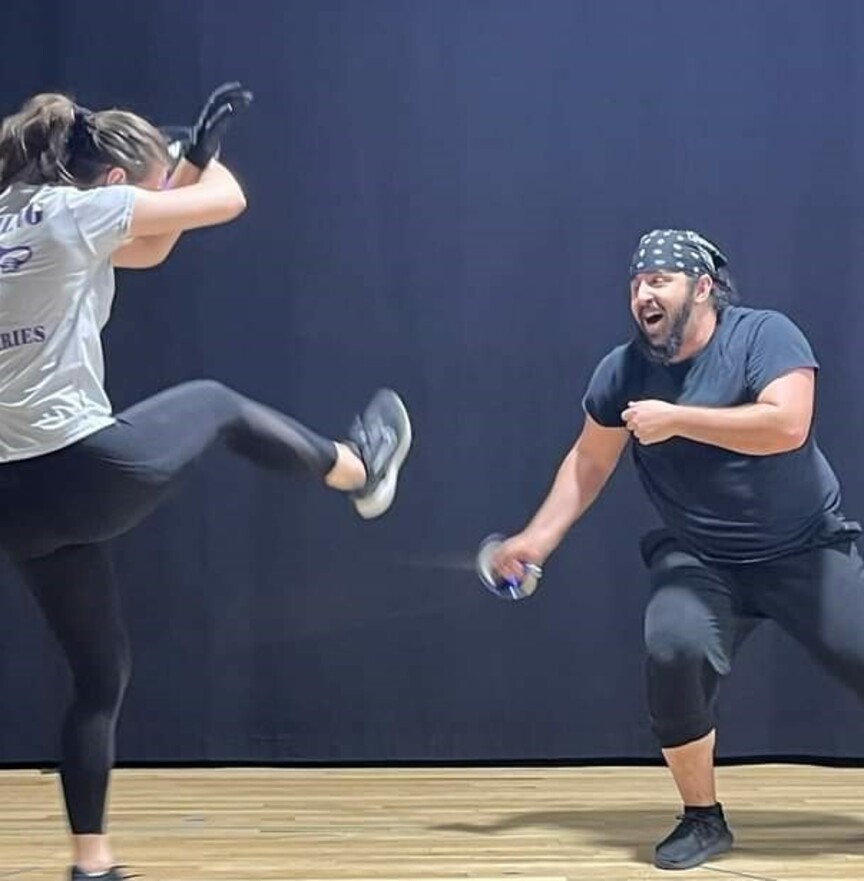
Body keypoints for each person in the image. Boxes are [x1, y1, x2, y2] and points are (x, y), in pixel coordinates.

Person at [0, 84, 411, 881]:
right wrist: (203, 160)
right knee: (216, 404)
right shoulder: (75, 213)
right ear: (112, 181)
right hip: (83, 470)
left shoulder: (18, 213)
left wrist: (176, 164)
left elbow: (151, 243)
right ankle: (359, 469)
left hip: (12, 503)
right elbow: (225, 202)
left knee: (99, 673)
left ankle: (92, 861)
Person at [491, 228, 864, 870]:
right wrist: (536, 540)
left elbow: (786, 425)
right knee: (673, 649)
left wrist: (678, 418)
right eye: (636, 284)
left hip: (806, 548)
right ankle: (702, 818)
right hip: (700, 559)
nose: (643, 295)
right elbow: (589, 461)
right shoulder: (623, 371)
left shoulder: (765, 335)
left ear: (703, 287)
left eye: (658, 281)